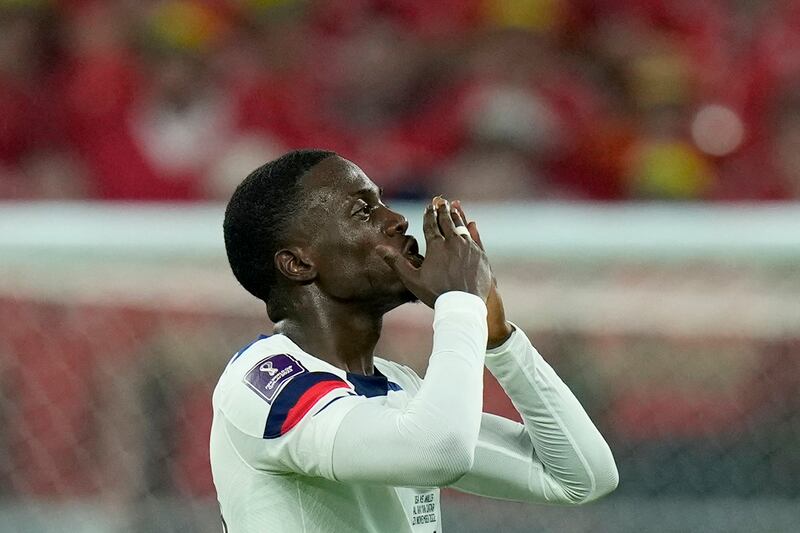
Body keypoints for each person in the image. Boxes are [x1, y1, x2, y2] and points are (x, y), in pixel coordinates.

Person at [211, 149, 618, 532]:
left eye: (382, 202)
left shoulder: (398, 387)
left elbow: (582, 477)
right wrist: (459, 304)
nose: (397, 221)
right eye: (363, 210)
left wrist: (499, 340)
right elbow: (440, 450)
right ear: (299, 263)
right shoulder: (264, 381)